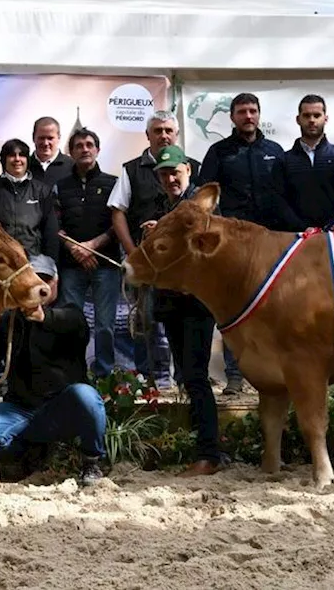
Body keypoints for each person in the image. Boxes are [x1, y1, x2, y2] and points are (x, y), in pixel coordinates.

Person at [0, 261, 106, 487]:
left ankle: (91, 461)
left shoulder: (71, 312)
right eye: (33, 279)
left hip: (60, 407)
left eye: (45, 280)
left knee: (86, 396)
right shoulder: (9, 320)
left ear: (55, 283)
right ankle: (30, 455)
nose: (39, 285)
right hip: (21, 409)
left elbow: (74, 325)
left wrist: (42, 317)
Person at [196, 92, 298, 395]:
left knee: (276, 310)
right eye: (241, 112)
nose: (248, 116)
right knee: (234, 310)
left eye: (252, 111)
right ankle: (235, 376)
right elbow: (207, 200)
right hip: (234, 248)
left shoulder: (276, 152)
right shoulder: (218, 153)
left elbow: (286, 196)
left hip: (271, 246)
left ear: (259, 114)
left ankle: (275, 376)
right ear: (232, 117)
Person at [142, 145, 223, 477]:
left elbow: (205, 251)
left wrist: (163, 232)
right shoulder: (163, 205)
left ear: (188, 169)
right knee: (187, 377)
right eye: (164, 173)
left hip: (196, 304)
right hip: (170, 302)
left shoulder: (200, 206)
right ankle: (202, 448)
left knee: (196, 377)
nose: (170, 178)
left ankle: (209, 454)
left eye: (175, 171)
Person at [107, 110, 183, 389]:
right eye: (158, 130)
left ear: (176, 134)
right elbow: (118, 213)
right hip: (148, 264)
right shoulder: (130, 169)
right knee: (147, 319)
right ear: (148, 135)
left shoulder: (191, 166)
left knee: (181, 321)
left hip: (183, 266)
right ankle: (153, 378)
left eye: (168, 130)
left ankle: (183, 378)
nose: (163, 135)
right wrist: (132, 253)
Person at [54, 128, 123, 379]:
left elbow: (118, 223)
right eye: (79, 145)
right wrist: (75, 248)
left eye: (89, 144)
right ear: (70, 152)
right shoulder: (59, 187)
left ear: (97, 149)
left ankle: (104, 375)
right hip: (71, 265)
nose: (84, 149)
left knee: (105, 325)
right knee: (70, 323)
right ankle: (72, 372)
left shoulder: (114, 183)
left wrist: (92, 246)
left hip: (106, 264)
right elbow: (54, 224)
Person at [0, 138, 60, 282]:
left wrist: (52, 267)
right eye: (12, 155)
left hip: (34, 262)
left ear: (27, 160)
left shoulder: (42, 191)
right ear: (3, 160)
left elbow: (50, 232)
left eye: (22, 155)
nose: (17, 159)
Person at [282, 94, 334, 229]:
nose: (312, 120)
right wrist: (300, 227)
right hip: (297, 238)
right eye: (306, 116)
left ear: (325, 119)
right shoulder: (284, 160)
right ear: (298, 119)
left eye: (317, 115)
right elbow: (279, 200)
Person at [28, 117, 73, 188]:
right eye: (41, 138)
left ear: (59, 138)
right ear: (33, 138)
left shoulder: (72, 166)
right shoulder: (23, 167)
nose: (45, 143)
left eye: (50, 138)